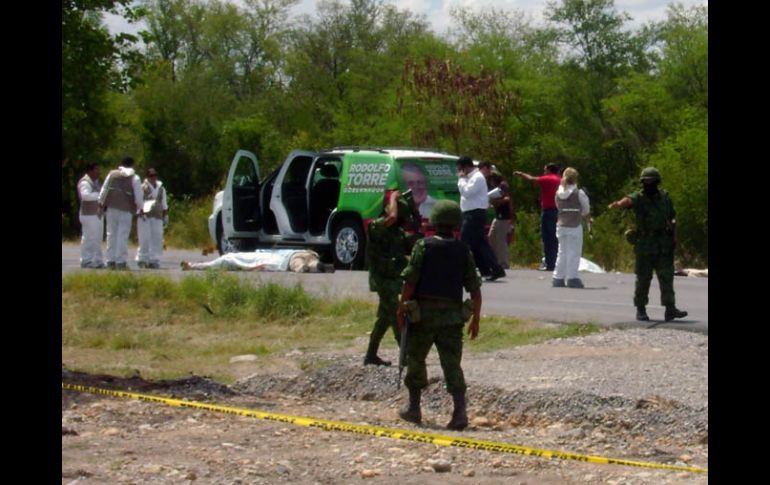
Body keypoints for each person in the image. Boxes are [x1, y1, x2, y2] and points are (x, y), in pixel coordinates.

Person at [396, 200, 482, 431]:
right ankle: (459, 412)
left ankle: (414, 408)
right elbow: (475, 289)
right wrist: (476, 319)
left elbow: (410, 281)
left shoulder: (423, 247)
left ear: (433, 221)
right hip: (452, 320)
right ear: (456, 224)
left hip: (422, 317)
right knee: (452, 365)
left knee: (416, 360)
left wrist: (402, 308)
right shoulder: (463, 250)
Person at [607, 167, 688, 322]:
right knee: (644, 278)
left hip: (663, 243)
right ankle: (641, 309)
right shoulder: (639, 197)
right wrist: (618, 204)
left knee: (667, 278)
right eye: (646, 181)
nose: (649, 183)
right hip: (645, 244)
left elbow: (673, 218)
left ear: (657, 181)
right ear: (643, 182)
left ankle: (670, 309)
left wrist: (674, 237)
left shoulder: (665, 198)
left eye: (652, 180)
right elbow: (628, 200)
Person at [363, 190, 419, 367]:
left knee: (384, 319)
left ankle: (371, 355)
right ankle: (406, 356)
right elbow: (392, 217)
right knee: (396, 316)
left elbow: (413, 241)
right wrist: (393, 197)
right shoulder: (376, 226)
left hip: (393, 280)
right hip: (382, 280)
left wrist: (415, 212)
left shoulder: (398, 233)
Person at [456, 156, 505, 281]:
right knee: (477, 244)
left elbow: (467, 193)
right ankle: (489, 270)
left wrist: (461, 180)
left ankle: (460, 269)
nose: (460, 172)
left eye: (460, 169)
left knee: (465, 241)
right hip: (470, 213)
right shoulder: (470, 178)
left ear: (466, 167)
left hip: (475, 214)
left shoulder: (477, 177)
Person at [513, 163, 561, 271]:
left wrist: (521, 174)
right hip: (559, 211)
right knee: (555, 237)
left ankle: (550, 264)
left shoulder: (548, 178)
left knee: (547, 238)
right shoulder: (560, 179)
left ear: (549, 170)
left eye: (545, 170)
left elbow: (531, 179)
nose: (544, 172)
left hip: (548, 210)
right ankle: (556, 262)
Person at [98, 157, 143, 270]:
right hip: (126, 210)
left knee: (111, 234)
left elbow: (104, 189)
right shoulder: (135, 178)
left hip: (111, 208)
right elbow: (139, 196)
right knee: (122, 235)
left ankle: (110, 261)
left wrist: (101, 203)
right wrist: (140, 208)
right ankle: (121, 261)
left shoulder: (112, 174)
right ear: (132, 165)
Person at [552, 168, 591, 288]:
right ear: (575, 179)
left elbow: (557, 206)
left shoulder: (558, 192)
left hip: (561, 225)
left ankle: (558, 277)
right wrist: (585, 216)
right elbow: (586, 209)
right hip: (574, 225)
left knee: (562, 251)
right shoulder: (578, 193)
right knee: (573, 252)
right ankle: (572, 278)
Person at [181, 248, 335, 273]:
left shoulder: (229, 259)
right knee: (310, 262)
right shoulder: (255, 252)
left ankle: (316, 266)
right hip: (299, 252)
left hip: (288, 260)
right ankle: (319, 265)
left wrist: (193, 266)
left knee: (300, 267)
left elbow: (211, 265)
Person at [479, 163, 513, 270]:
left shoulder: (503, 185)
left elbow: (507, 199)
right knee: (491, 236)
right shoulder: (497, 187)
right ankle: (494, 260)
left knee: (501, 239)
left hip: (504, 215)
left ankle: (503, 262)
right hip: (498, 215)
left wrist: (496, 201)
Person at [136, 168, 168, 269]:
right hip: (145, 215)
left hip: (158, 215)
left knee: (157, 238)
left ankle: (154, 259)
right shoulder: (142, 187)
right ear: (147, 177)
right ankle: (142, 259)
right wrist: (140, 211)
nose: (153, 177)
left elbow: (164, 204)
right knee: (144, 238)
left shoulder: (161, 188)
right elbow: (138, 201)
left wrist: (165, 215)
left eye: (155, 175)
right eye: (151, 175)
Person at [77, 163, 105, 269]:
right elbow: (85, 196)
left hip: (97, 214)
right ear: (90, 171)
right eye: (97, 170)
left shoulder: (97, 182)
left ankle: (97, 260)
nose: (99, 172)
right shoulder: (85, 182)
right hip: (88, 214)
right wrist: (100, 195)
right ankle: (86, 260)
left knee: (97, 238)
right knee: (89, 237)